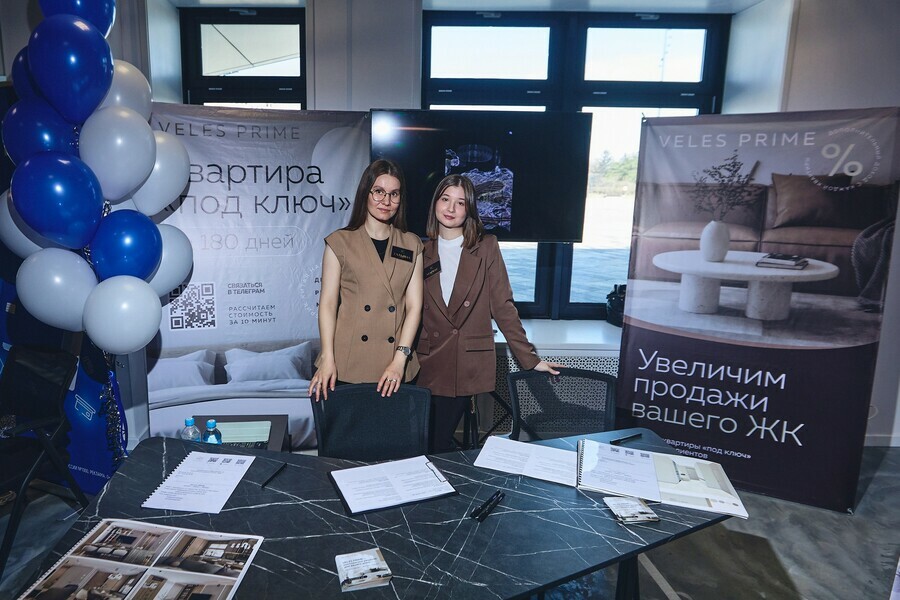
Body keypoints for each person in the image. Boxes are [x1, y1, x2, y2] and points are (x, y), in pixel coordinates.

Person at [416, 174, 564, 452]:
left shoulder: (486, 246)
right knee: (420, 444)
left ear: (469, 209)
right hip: (425, 362)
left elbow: (502, 305)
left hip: (464, 362)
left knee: (437, 445)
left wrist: (529, 359)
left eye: (461, 202)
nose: (451, 208)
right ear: (435, 203)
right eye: (445, 199)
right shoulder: (419, 249)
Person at [309, 159, 424, 401]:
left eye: (394, 194)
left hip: (394, 366)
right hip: (347, 361)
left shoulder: (412, 244)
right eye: (379, 191)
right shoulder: (339, 242)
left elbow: (414, 307)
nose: (386, 201)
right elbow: (328, 304)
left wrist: (400, 360)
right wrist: (328, 357)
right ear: (366, 193)